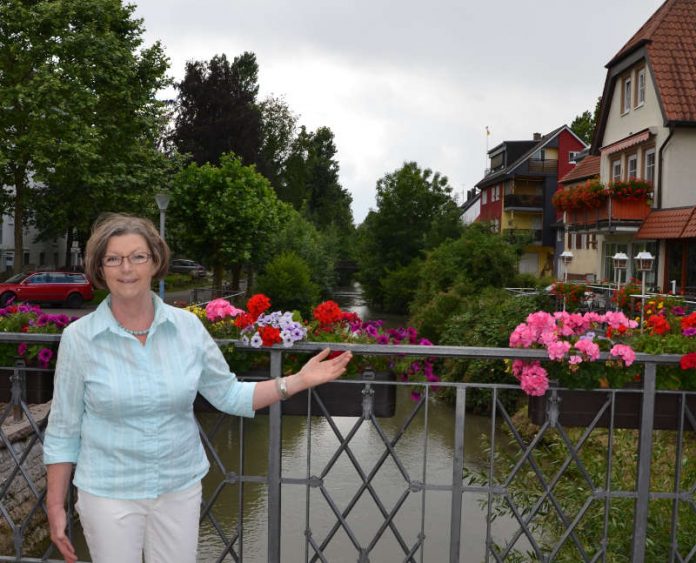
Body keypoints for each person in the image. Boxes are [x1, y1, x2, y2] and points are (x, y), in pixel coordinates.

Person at [43, 213, 352, 563]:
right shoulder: (79, 339)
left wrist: (297, 381)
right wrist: (55, 505)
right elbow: (64, 429)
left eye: (137, 256)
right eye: (113, 259)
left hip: (179, 488)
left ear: (155, 261)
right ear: (100, 268)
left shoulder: (187, 328)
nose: (126, 268)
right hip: (108, 492)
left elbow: (229, 394)